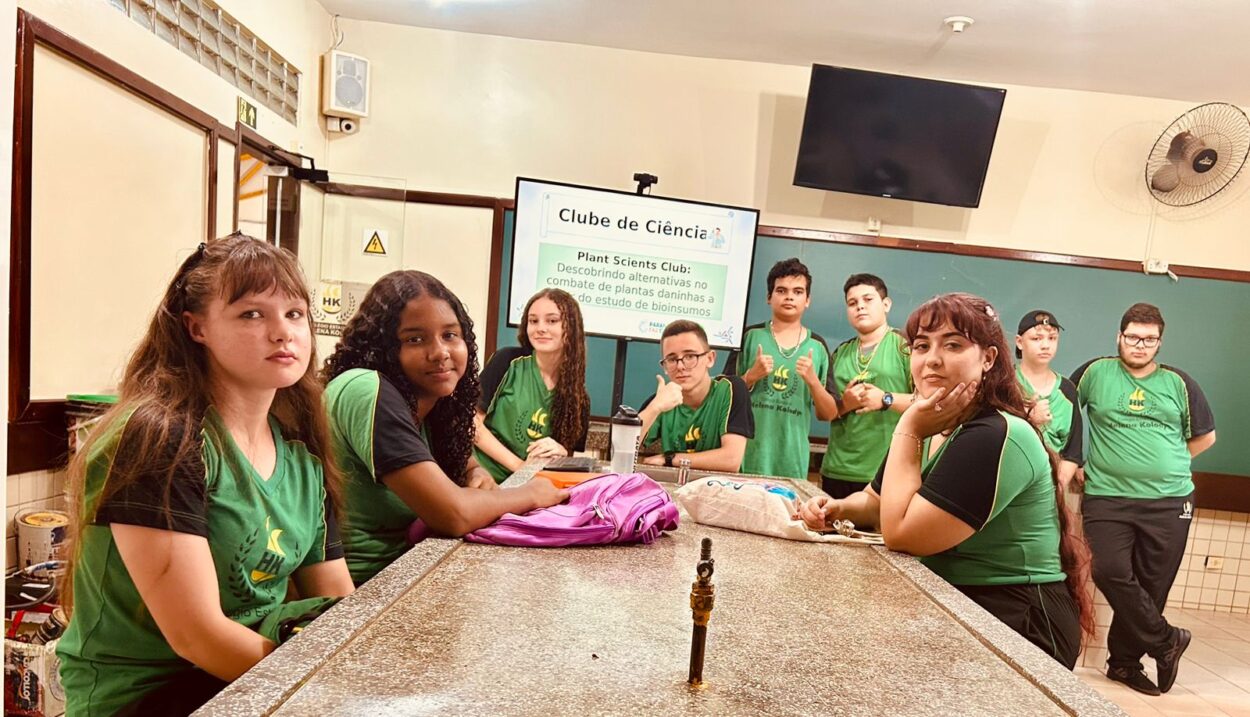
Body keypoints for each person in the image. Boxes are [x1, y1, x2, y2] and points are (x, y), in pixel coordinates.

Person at [57, 234, 355, 716]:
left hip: (254, 678)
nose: (283, 333)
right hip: (153, 696)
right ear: (197, 328)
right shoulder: (160, 440)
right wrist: (322, 694)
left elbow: (339, 602)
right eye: (252, 314)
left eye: (295, 313)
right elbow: (197, 637)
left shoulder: (302, 457)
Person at [799, 293, 1094, 669]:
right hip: (958, 601)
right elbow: (875, 503)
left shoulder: (995, 433)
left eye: (953, 344)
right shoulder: (932, 425)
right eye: (921, 346)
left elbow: (902, 533)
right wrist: (836, 507)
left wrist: (907, 427)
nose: (932, 358)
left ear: (988, 358)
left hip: (1017, 620)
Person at [323, 271, 568, 585]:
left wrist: (474, 470)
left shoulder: (426, 400)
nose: (440, 352)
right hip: (363, 592)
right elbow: (454, 514)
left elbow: (448, 455)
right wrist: (530, 494)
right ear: (382, 346)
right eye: (415, 338)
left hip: (408, 571)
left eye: (450, 335)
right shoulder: (366, 389)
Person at [1071, 302, 1215, 696]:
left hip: (1171, 501)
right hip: (1106, 496)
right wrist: (1073, 459)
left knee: (1152, 587)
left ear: (1159, 343)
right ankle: (1166, 640)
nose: (1140, 345)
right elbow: (1064, 413)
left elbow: (1205, 436)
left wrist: (1166, 464)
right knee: (1108, 570)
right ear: (1119, 336)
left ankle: (1124, 664)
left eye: (1149, 340)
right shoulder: (1094, 373)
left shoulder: (1179, 383)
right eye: (1133, 337)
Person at [725, 258, 836, 478]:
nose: (789, 297)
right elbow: (721, 397)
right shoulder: (749, 337)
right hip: (745, 457)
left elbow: (829, 413)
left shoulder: (818, 346)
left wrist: (813, 381)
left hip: (791, 461)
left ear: (807, 300)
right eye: (781, 290)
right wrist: (750, 377)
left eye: (797, 291)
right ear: (769, 297)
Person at [474, 288, 590, 483]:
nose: (540, 328)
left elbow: (566, 454)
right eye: (533, 321)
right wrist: (520, 468)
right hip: (478, 475)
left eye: (552, 321)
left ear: (571, 328)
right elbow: (472, 424)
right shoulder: (507, 361)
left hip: (527, 487)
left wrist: (561, 453)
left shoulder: (579, 398)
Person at [820, 274, 916, 498]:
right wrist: (846, 404)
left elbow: (929, 402)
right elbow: (827, 411)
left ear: (886, 304)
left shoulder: (906, 347)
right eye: (852, 303)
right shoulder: (840, 353)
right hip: (837, 470)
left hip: (885, 472)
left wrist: (885, 399)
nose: (860, 307)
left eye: (868, 300)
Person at [638, 320, 754, 472]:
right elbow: (620, 449)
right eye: (672, 359)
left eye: (690, 356)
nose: (680, 366)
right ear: (665, 367)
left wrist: (670, 459)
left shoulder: (731, 389)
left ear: (710, 358)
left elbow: (731, 460)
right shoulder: (662, 400)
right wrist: (654, 408)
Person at [1014, 310, 1083, 491]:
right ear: (1020, 342)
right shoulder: (1004, 384)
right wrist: (1030, 421)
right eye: (1036, 339)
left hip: (1053, 487)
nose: (1045, 345)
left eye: (1052, 338)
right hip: (1010, 480)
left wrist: (1056, 488)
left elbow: (1073, 452)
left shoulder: (1067, 390)